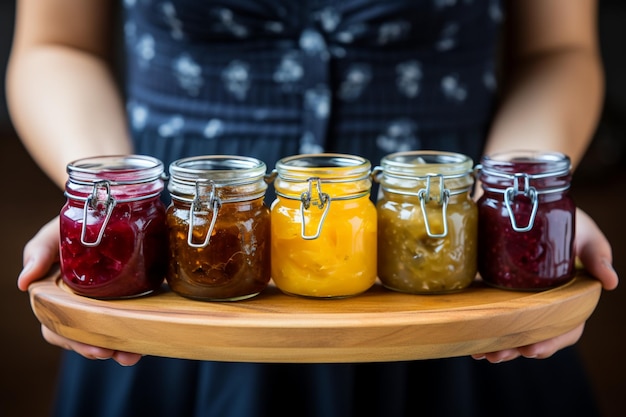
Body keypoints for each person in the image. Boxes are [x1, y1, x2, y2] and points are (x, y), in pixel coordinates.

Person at [7, 0, 619, 416]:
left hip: (451, 248)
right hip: (175, 236)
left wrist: (523, 195)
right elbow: (56, 44)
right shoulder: (140, 213)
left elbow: (558, 49)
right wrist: (108, 197)